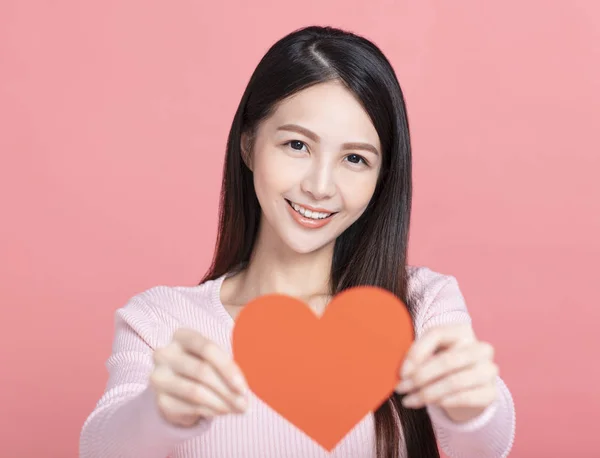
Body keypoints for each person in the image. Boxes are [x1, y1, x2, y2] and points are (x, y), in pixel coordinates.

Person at [79, 25, 515, 458]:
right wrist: (156, 414)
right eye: (297, 145)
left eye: (355, 158)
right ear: (249, 145)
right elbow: (101, 448)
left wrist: (473, 406)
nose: (320, 186)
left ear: (382, 178)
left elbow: (482, 448)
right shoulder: (163, 321)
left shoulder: (422, 304)